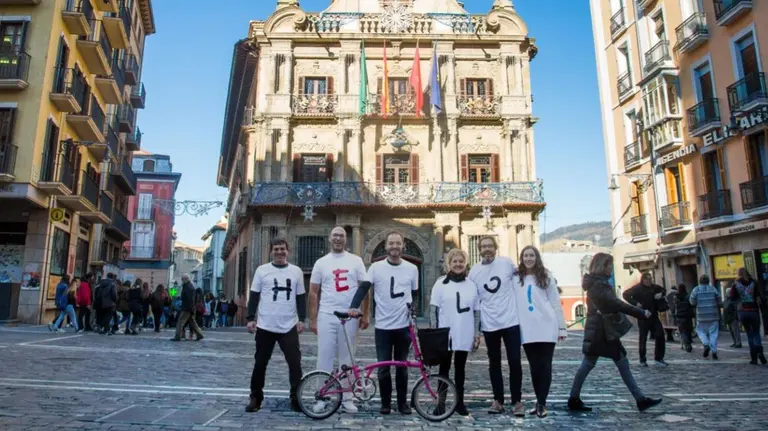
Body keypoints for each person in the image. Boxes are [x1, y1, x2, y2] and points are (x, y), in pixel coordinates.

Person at [567, 253, 663, 413]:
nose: (611, 268)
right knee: (606, 362)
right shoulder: (599, 286)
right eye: (609, 265)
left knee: (593, 363)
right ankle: (640, 400)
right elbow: (616, 303)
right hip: (602, 332)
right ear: (602, 266)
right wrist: (640, 313)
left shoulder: (597, 284)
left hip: (600, 330)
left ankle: (574, 398)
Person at [348, 231, 418, 416]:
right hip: (383, 327)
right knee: (383, 368)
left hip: (403, 326)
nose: (394, 246)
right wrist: (354, 306)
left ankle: (403, 404)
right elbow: (363, 288)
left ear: (403, 246)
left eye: (398, 243)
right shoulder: (375, 267)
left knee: (402, 367)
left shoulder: (412, 269)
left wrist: (413, 313)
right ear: (386, 246)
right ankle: (385, 403)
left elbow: (415, 294)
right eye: (391, 243)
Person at [308, 226, 369, 414]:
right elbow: (313, 292)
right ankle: (322, 395)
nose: (338, 238)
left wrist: (365, 314)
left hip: (350, 315)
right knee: (324, 356)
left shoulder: (356, 261)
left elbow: (364, 288)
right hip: (327, 314)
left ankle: (348, 397)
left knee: (348, 356)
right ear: (329, 238)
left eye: (341, 236)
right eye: (335, 235)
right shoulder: (321, 262)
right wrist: (313, 318)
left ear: (346, 239)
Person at [245, 238, 306, 413]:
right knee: (260, 363)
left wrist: (301, 318)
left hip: (289, 325)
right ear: (271, 251)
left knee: (295, 364)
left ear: (288, 251)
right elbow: (254, 295)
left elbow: (300, 297)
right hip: (265, 325)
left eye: (283, 249)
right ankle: (256, 397)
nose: (280, 252)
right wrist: (250, 318)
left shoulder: (296, 271)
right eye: (276, 249)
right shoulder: (262, 271)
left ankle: (296, 397)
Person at [468, 236, 524, 417]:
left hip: (510, 321)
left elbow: (521, 280)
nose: (487, 249)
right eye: (483, 246)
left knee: (515, 361)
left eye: (490, 246)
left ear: (496, 247)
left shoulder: (506, 263)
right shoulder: (474, 272)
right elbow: (473, 300)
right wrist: (475, 331)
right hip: (489, 323)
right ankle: (498, 400)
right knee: (494, 363)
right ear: (479, 249)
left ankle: (517, 401)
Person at [513, 246, 566, 418]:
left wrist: (561, 326)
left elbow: (555, 303)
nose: (529, 258)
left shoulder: (546, 276)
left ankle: (542, 403)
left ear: (537, 257)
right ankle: (538, 400)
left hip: (547, 326)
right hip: (527, 329)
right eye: (526, 255)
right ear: (522, 258)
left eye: (532, 255)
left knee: (545, 366)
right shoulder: (516, 278)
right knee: (535, 368)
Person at [430, 248, 480, 416]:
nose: (458, 264)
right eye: (454, 262)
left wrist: (476, 334)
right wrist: (435, 333)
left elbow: (476, 311)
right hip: (446, 334)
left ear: (465, 263)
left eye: (461, 261)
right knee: (443, 369)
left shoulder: (471, 285)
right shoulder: (440, 283)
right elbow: (434, 310)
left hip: (464, 332)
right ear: (449, 264)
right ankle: (441, 403)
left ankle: (459, 402)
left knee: (460, 369)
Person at [623, 272, 668, 366]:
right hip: (642, 316)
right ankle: (642, 359)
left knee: (660, 335)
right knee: (643, 338)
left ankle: (659, 358)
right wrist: (635, 303)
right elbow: (625, 294)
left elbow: (663, 290)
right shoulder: (637, 288)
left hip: (654, 315)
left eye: (650, 279)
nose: (649, 281)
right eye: (647, 279)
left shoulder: (654, 287)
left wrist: (661, 294)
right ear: (643, 280)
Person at [731, 268, 766, 364]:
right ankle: (760, 352)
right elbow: (759, 295)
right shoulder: (754, 282)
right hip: (753, 310)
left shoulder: (736, 283)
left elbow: (732, 297)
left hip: (742, 311)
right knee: (756, 333)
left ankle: (754, 358)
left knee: (749, 334)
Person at [690, 275, 722, 360]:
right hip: (713, 315)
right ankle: (714, 351)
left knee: (700, 331)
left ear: (699, 281)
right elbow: (719, 300)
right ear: (708, 281)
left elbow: (692, 302)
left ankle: (706, 344)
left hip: (701, 315)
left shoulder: (696, 290)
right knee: (713, 334)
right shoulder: (713, 289)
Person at [171, 274, 205, 341]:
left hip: (187, 308)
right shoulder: (187, 286)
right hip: (188, 308)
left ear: (186, 279)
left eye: (182, 279)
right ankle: (200, 335)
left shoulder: (189, 288)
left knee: (180, 322)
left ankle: (177, 337)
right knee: (192, 323)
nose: (182, 281)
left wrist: (190, 309)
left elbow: (190, 300)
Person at [674, 284, 695, 353]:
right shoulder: (688, 296)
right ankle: (688, 343)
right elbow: (691, 305)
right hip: (687, 316)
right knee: (688, 330)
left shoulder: (676, 297)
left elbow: (675, 306)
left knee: (682, 331)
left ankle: (687, 343)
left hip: (680, 316)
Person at [723, 281, 742, 348]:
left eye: (728, 292)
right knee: (731, 331)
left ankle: (738, 343)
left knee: (735, 331)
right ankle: (735, 342)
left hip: (733, 317)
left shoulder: (733, 300)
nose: (728, 293)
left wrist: (736, 317)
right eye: (727, 292)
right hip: (728, 318)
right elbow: (724, 309)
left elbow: (736, 309)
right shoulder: (726, 300)